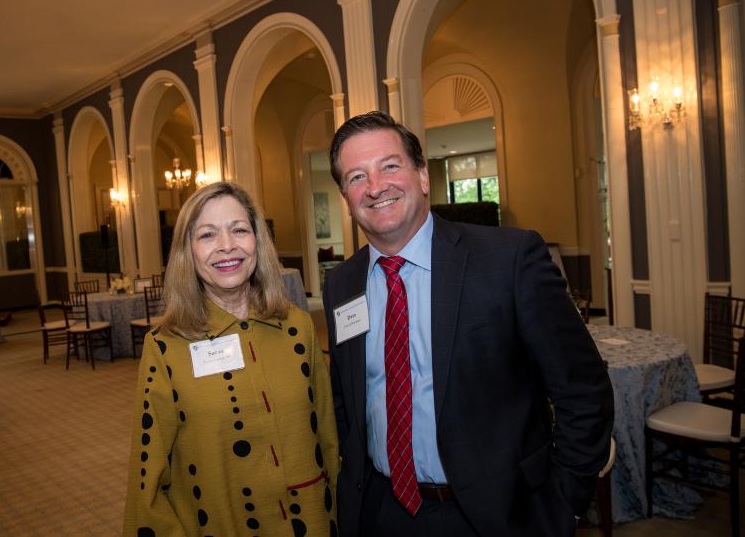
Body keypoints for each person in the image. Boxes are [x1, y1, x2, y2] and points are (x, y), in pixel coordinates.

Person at [322, 111, 614, 536]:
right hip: (380, 512)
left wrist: (560, 507)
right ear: (346, 199)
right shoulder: (342, 286)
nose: (375, 187)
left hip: (495, 517)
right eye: (356, 177)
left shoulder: (508, 260)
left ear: (422, 176)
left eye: (389, 166)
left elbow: (584, 392)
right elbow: (347, 401)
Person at [123, 182, 339, 537]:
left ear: (258, 241)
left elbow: (327, 436)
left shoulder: (297, 328)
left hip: (310, 522)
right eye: (207, 235)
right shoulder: (165, 347)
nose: (227, 246)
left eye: (239, 230)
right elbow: (147, 479)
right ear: (187, 252)